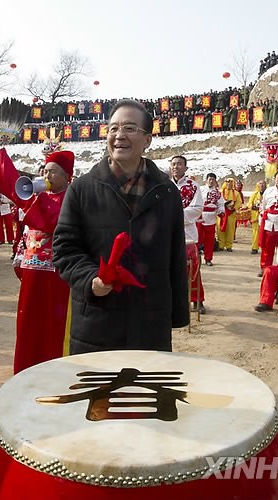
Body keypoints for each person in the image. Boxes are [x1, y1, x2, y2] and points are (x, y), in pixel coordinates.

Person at [53, 99, 189, 354]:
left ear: (147, 139)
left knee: (147, 392)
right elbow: (64, 249)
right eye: (113, 128)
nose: (119, 136)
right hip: (97, 322)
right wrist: (90, 278)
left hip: (150, 323)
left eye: (129, 128)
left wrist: (176, 314)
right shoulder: (82, 189)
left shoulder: (166, 192)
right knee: (98, 393)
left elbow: (175, 257)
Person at [0, 148, 73, 373]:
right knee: (28, 321)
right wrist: (20, 255)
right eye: (44, 171)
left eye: (53, 172)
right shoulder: (38, 197)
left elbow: (51, 221)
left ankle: (53, 367)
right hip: (33, 269)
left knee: (53, 321)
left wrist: (31, 203)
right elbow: (26, 228)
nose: (47, 176)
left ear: (67, 177)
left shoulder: (71, 198)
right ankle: (26, 366)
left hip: (56, 271)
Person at [170, 155, 206, 314]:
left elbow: (197, 208)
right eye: (173, 164)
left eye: (179, 164)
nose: (176, 167)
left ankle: (197, 299)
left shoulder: (193, 186)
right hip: (167, 233)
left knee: (192, 268)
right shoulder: (163, 185)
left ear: (185, 167)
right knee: (168, 269)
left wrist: (175, 216)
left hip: (187, 234)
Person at [198, 172, 224, 265]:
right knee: (197, 238)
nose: (211, 181)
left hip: (211, 217)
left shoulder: (217, 193)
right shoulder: (199, 189)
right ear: (206, 180)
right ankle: (196, 257)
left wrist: (221, 211)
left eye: (213, 180)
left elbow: (220, 204)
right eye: (209, 179)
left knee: (209, 240)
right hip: (199, 216)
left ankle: (208, 258)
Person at [217, 178, 242, 252]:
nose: (229, 184)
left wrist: (233, 208)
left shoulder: (236, 193)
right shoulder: (220, 192)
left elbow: (239, 202)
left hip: (231, 214)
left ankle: (229, 245)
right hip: (221, 215)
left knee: (230, 230)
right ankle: (221, 245)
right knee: (220, 229)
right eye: (227, 182)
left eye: (231, 183)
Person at [247, 180, 266, 254]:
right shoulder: (254, 195)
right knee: (255, 233)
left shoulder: (268, 194)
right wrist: (254, 207)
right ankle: (254, 248)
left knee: (265, 233)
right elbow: (249, 204)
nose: (261, 186)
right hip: (255, 216)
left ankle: (264, 248)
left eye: (263, 184)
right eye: (260, 184)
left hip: (265, 217)